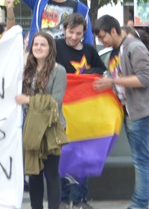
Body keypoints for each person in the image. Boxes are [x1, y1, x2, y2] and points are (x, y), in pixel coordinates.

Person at [93, 15, 149, 209]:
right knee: (141, 159)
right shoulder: (116, 51)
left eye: (103, 37)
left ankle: (140, 203)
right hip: (130, 112)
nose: (101, 42)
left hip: (140, 113)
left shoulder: (134, 48)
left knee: (141, 160)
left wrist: (113, 81)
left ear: (114, 31)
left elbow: (144, 79)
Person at [54, 13, 105, 208]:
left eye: (78, 33)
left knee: (83, 154)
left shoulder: (90, 51)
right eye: (70, 32)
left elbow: (101, 70)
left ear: (84, 33)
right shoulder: (55, 47)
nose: (74, 37)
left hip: (84, 110)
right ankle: (63, 198)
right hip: (60, 110)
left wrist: (83, 76)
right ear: (64, 30)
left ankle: (81, 199)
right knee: (62, 154)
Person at [16, 31, 67, 209]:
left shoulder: (59, 70)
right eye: (35, 44)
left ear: (50, 48)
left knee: (52, 176)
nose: (38, 48)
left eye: (42, 44)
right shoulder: (25, 70)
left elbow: (55, 101)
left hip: (51, 129)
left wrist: (29, 100)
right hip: (30, 129)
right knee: (33, 174)